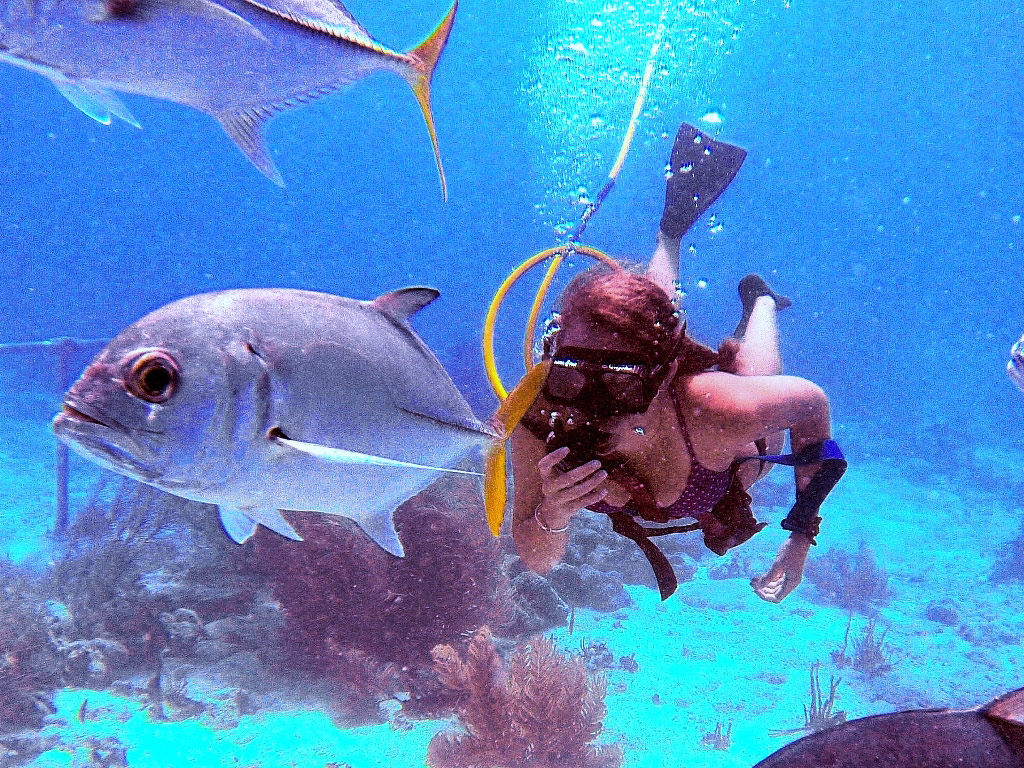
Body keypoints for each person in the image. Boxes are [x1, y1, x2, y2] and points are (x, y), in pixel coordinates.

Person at [510, 123, 844, 602]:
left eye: (621, 385)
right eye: (571, 376)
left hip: (724, 467)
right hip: (659, 377)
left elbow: (810, 402)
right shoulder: (542, 415)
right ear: (554, 360)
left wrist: (800, 537)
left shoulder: (715, 409)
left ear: (665, 376)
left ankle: (761, 301)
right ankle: (670, 232)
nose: (593, 403)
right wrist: (553, 514)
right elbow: (537, 559)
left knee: (749, 375)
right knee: (640, 319)